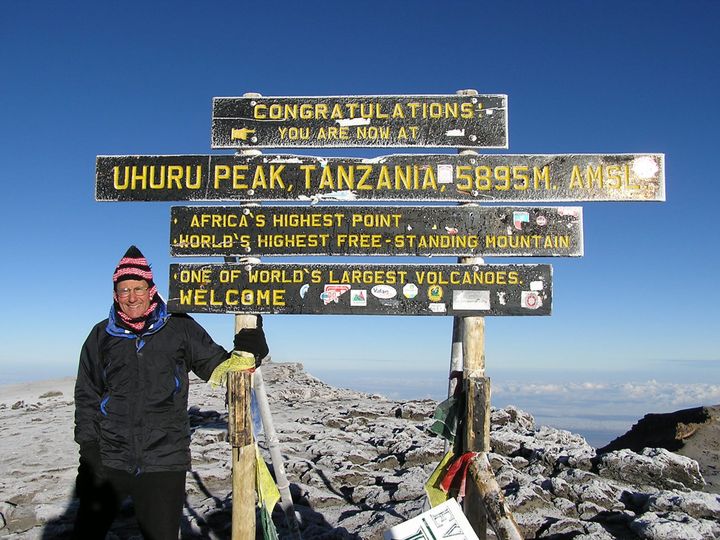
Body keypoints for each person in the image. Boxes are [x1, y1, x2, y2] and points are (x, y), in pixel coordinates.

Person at [73, 246, 268, 539]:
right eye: (124, 290)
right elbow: (87, 394)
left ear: (151, 289)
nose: (132, 297)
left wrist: (250, 350)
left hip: (164, 460)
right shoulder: (101, 335)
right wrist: (89, 450)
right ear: (116, 294)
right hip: (109, 457)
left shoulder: (178, 326)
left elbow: (219, 367)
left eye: (138, 288)